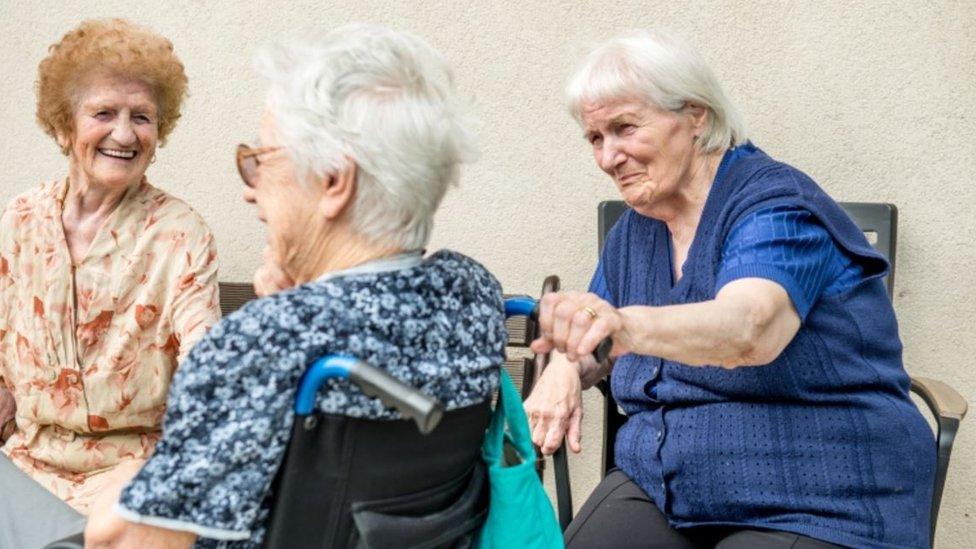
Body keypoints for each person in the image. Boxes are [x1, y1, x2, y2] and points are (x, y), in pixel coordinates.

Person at [84, 24, 506, 548]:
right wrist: (294, 300)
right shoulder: (474, 294)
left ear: (333, 180)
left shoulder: (256, 344)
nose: (250, 189)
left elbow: (134, 541)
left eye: (260, 160)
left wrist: (115, 488)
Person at [525, 29, 934, 549]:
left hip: (817, 492)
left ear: (696, 116)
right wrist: (564, 367)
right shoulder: (636, 230)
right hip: (667, 483)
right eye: (595, 139)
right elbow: (595, 335)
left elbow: (749, 329)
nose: (608, 157)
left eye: (624, 128)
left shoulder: (776, 208)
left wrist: (625, 326)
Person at [0, 19, 220, 548]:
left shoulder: (179, 235)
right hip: (21, 469)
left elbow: (208, 372)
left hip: (127, 484)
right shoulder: (20, 219)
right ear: (63, 127)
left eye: (141, 117)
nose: (124, 134)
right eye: (104, 113)